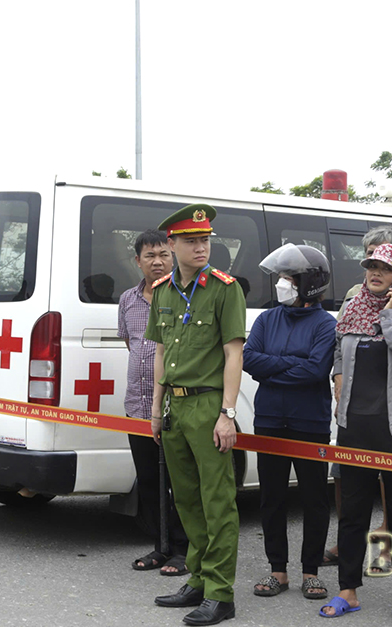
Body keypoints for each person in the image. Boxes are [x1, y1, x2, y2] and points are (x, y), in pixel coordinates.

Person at [319, 243, 392, 622]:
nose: (375, 273)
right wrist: (338, 377)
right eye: (371, 266)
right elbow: (339, 349)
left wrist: (389, 316)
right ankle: (348, 591)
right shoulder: (350, 309)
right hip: (355, 426)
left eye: (385, 268)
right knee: (352, 513)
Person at [146, 203, 246, 626]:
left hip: (207, 405)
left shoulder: (225, 288)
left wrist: (227, 413)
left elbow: (233, 352)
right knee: (186, 499)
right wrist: (155, 409)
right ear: (172, 245)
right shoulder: (164, 290)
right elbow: (161, 352)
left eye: (205, 240)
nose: (201, 247)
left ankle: (221, 594)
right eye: (191, 241)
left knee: (217, 501)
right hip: (174, 406)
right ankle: (199, 579)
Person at [244, 243, 334, 600]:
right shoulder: (267, 319)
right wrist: (290, 367)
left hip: (309, 421)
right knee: (272, 497)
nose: (281, 284)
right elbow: (251, 360)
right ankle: (277, 570)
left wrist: (273, 367)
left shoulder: (326, 324)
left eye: (288, 278)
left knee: (314, 499)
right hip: (269, 419)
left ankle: (310, 571)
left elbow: (316, 370)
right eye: (280, 277)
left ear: (308, 283)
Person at [118, 229, 190, 575]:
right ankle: (160, 547)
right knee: (148, 481)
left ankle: (184, 550)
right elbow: (132, 346)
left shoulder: (185, 296)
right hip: (138, 406)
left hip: (176, 408)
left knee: (181, 481)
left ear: (173, 255)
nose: (157, 262)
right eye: (150, 256)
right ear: (138, 261)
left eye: (163, 254)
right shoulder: (127, 301)